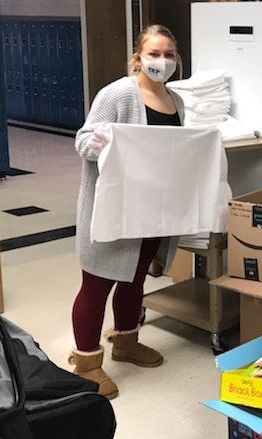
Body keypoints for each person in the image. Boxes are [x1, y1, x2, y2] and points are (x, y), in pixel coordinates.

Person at [69, 24, 185, 399]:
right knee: (97, 282)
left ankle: (126, 343)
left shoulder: (176, 101)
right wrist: (100, 143)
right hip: (115, 208)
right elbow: (84, 140)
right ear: (138, 57)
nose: (161, 62)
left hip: (151, 211)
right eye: (154, 54)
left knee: (134, 279)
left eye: (168, 54)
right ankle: (87, 362)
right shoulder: (118, 93)